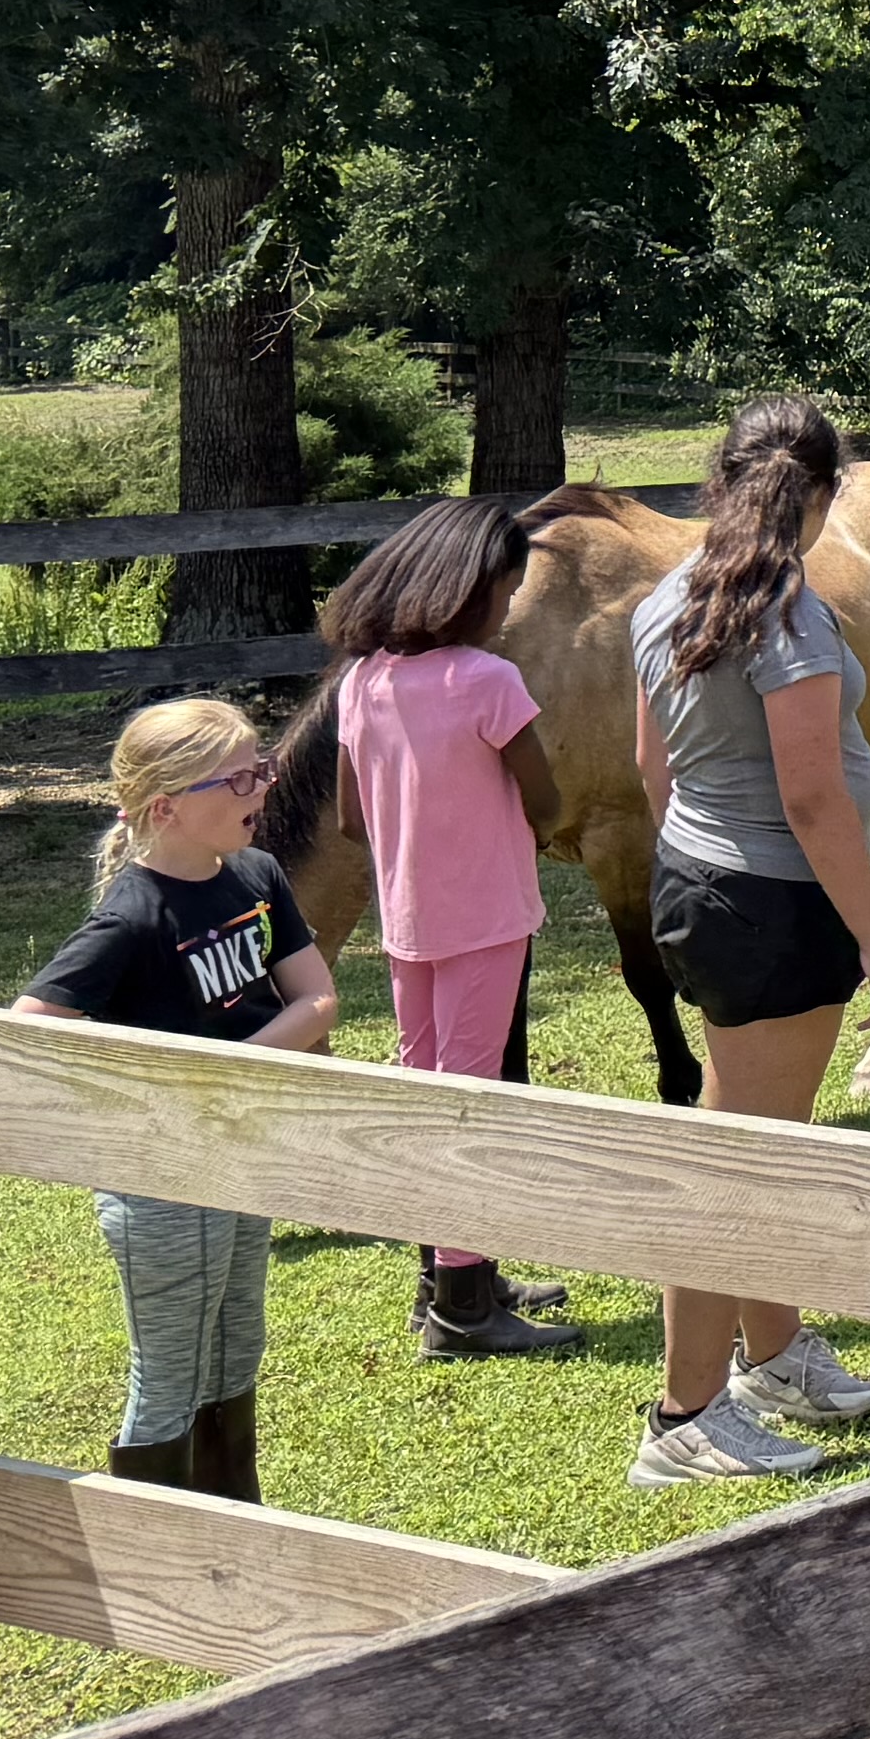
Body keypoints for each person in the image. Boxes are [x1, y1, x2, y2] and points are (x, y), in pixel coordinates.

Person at [624, 396, 870, 1484]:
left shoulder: (667, 600)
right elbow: (815, 801)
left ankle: (774, 1354)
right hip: (775, 901)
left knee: (743, 1137)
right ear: (824, 496)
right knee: (744, 1169)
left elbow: (657, 773)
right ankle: (685, 1418)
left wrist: (702, 873)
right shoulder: (788, 612)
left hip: (703, 884)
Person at [21, 694, 338, 1498]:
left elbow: (318, 1000)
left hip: (240, 1149)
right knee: (169, 1372)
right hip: (160, 1177)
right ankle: (154, 1545)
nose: (262, 791)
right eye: (239, 781)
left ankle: (234, 1520)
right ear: (166, 806)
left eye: (262, 770)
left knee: (237, 1346)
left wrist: (222, 1074)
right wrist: (168, 1090)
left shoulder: (257, 876)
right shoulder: (132, 918)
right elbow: (30, 1032)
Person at [315, 497, 582, 1360]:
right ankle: (465, 1311)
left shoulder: (360, 682)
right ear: (467, 590)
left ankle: (443, 1276)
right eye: (504, 593)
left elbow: (353, 821)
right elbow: (545, 802)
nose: (507, 609)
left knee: (423, 1083)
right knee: (471, 1099)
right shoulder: (489, 682)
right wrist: (521, 825)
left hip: (406, 919)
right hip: (488, 915)